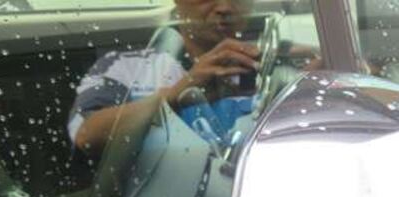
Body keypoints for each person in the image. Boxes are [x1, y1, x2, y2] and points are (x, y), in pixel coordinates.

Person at [68, 0, 262, 157]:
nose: (225, 7)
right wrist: (176, 95)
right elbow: (85, 136)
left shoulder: (270, 70)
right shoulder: (125, 66)